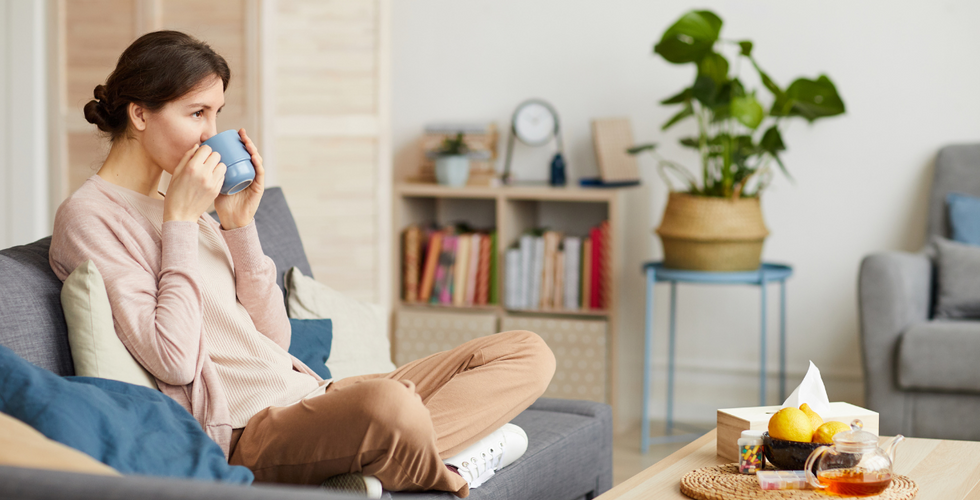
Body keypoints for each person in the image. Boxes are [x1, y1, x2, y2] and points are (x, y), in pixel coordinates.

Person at [48, 30, 555, 498]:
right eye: (197, 113)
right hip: (250, 431)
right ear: (140, 115)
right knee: (389, 406)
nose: (212, 134)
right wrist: (180, 220)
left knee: (526, 353)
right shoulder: (92, 216)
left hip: (313, 394)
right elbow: (174, 359)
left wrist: (239, 227)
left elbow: (276, 341)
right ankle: (449, 468)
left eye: (217, 115)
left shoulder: (181, 202)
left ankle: (381, 464)